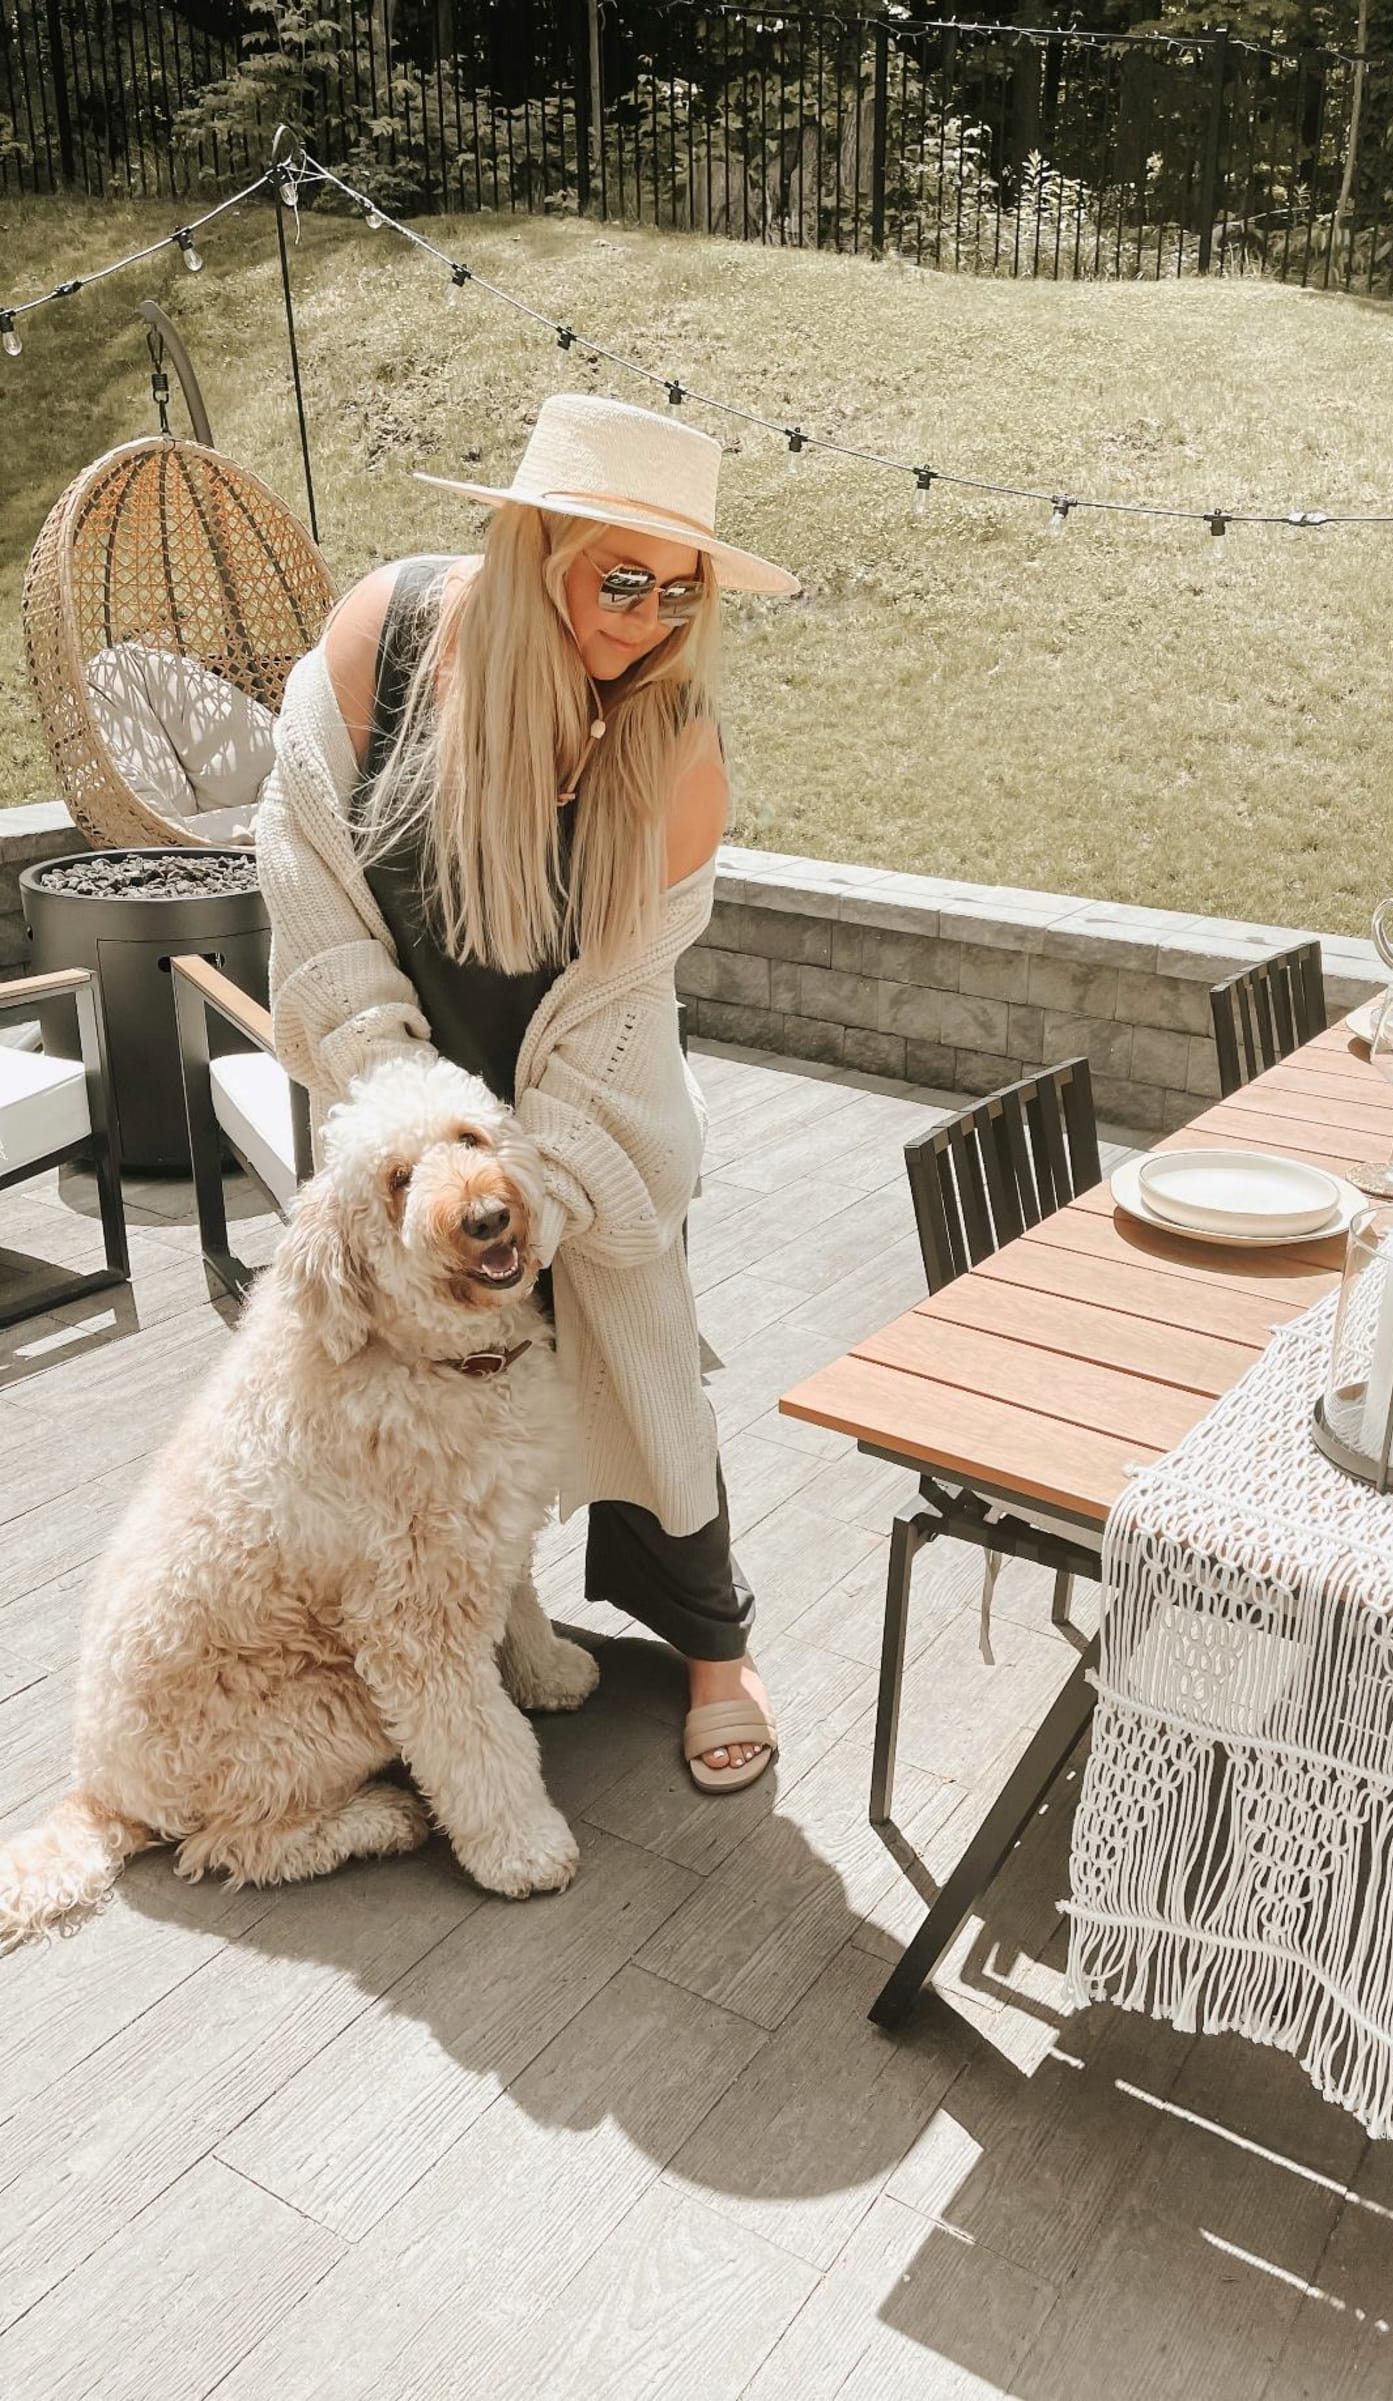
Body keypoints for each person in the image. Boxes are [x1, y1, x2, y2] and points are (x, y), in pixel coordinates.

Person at [256, 393, 799, 1792]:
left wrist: (525, 1182)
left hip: (582, 1102)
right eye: (622, 575)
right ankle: (445, 1634)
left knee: (640, 1347)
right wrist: (418, 1142)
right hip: (401, 1080)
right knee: (397, 1394)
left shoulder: (673, 751)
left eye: (681, 590)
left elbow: (620, 1016)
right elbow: (307, 878)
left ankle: (714, 1651)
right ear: (536, 544)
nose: (652, 613)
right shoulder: (389, 637)